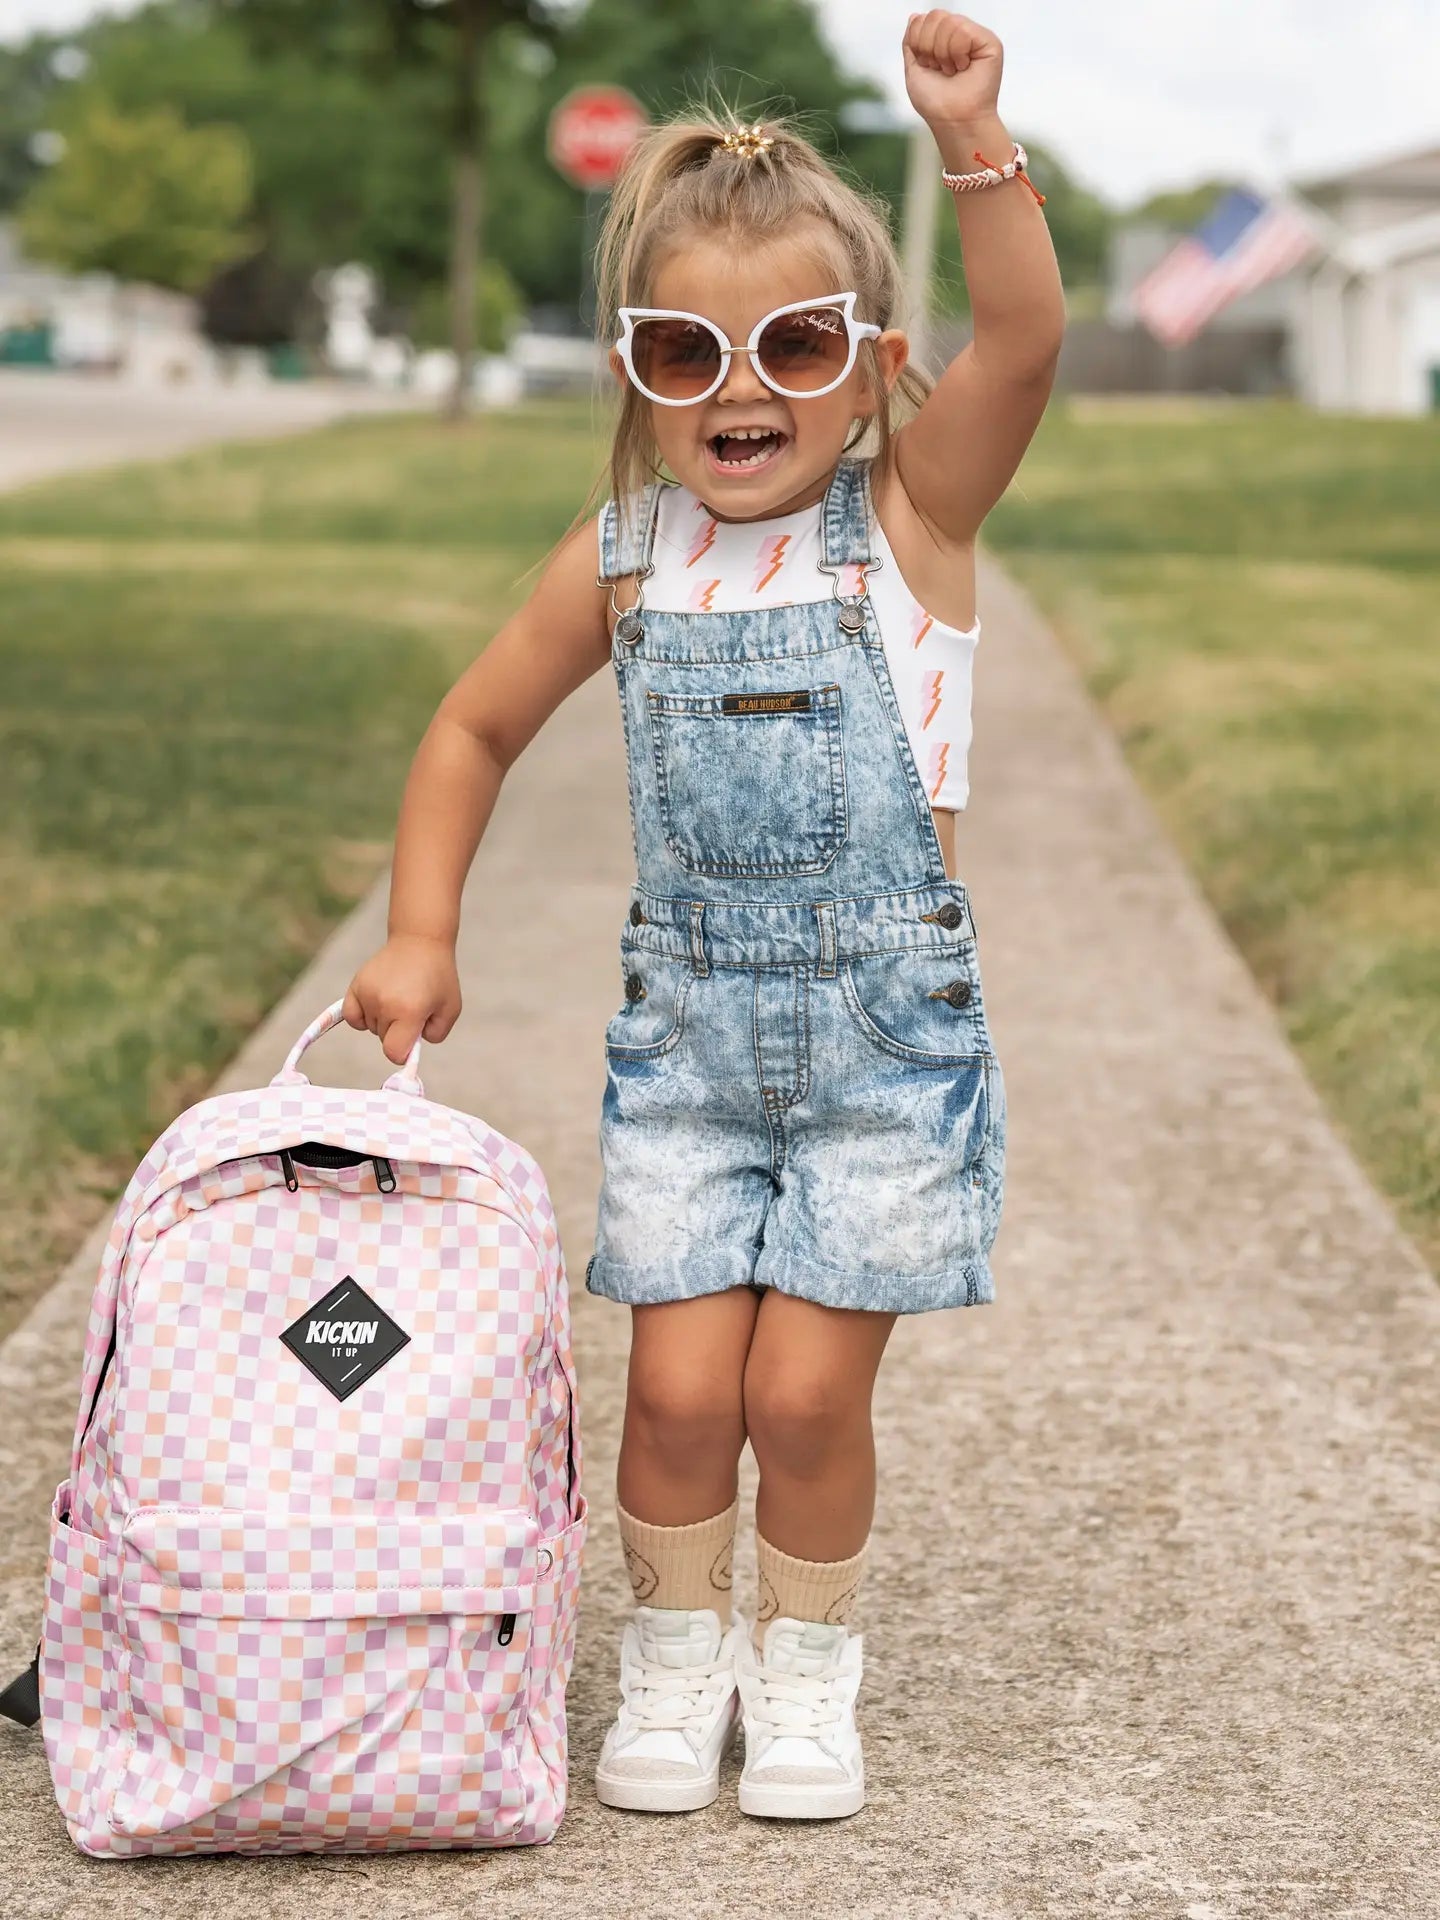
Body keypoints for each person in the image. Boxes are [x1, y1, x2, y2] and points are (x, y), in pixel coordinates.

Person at [344, 10, 1065, 1823]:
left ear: (872, 362)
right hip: (688, 1049)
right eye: (686, 350)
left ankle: (805, 1680)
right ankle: (675, 1666)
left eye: (795, 344)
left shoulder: (912, 517)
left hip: (884, 1049)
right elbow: (474, 723)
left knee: (806, 1401)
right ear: (638, 372)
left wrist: (972, 139)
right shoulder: (627, 549)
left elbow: (1032, 336)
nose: (741, 388)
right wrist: (423, 928)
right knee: (674, 1395)